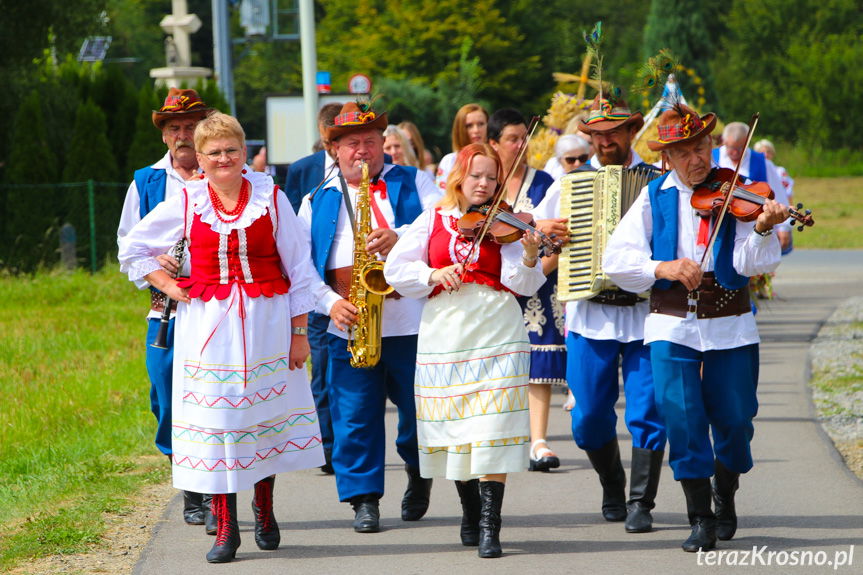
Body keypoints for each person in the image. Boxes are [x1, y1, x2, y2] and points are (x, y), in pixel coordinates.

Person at [119, 112, 324, 563]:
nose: (224, 158)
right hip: (208, 325)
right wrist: (169, 286)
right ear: (201, 157)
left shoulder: (270, 196)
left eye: (232, 149)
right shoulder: (189, 200)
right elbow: (132, 245)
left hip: (267, 320)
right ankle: (226, 526)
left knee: (264, 419)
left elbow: (299, 266)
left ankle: (265, 510)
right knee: (220, 427)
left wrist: (299, 333)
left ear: (244, 151)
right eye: (214, 152)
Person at [603, 103, 788, 552]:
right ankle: (701, 516)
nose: (696, 159)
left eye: (701, 147)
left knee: (737, 422)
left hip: (731, 324)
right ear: (666, 158)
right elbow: (615, 260)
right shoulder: (654, 196)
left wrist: (762, 231)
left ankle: (726, 489)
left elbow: (748, 265)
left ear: (712, 145)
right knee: (682, 418)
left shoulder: (739, 191)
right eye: (683, 152)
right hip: (671, 324)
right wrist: (662, 267)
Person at [384, 142, 546, 558]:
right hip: (446, 334)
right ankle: (470, 511)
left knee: (491, 430)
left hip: (497, 330)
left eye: (492, 177)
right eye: (476, 175)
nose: (484, 184)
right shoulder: (434, 218)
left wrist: (530, 257)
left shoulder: (505, 223)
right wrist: (433, 272)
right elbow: (396, 269)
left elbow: (522, 285)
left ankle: (491, 526)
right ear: (459, 176)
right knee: (456, 430)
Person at [298, 101, 440, 533]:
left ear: (384, 145)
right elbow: (301, 270)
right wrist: (329, 304)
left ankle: (419, 474)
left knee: (419, 414)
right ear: (334, 149)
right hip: (350, 322)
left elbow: (441, 226)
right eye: (352, 143)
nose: (363, 151)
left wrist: (401, 236)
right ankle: (364, 500)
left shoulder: (418, 181)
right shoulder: (314, 199)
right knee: (354, 417)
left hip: (412, 322)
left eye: (371, 142)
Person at [534, 93, 667, 532]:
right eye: (597, 134)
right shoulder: (568, 182)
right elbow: (533, 237)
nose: (605, 141)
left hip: (648, 312)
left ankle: (640, 503)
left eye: (614, 132)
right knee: (588, 417)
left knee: (648, 410)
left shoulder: (658, 181)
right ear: (588, 137)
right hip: (590, 315)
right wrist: (545, 232)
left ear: (632, 132)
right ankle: (612, 482)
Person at [117, 87, 214, 529]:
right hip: (166, 311)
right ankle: (187, 477)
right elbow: (127, 243)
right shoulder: (147, 181)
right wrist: (156, 262)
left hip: (215, 307)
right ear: (164, 136)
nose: (183, 135)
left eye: (191, 126)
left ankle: (206, 493)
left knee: (212, 400)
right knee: (166, 400)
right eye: (174, 128)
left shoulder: (227, 172)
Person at [487, 107, 568, 473]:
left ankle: (538, 440)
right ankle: (500, 435)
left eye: (525, 138)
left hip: (538, 282)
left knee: (538, 361)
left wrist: (533, 273)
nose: (521, 145)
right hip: (493, 285)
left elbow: (558, 241)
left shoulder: (545, 182)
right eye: (512, 139)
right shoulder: (485, 182)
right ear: (493, 143)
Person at [283, 101, 342, 475]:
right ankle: (328, 445)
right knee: (321, 371)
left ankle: (345, 443)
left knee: (344, 375)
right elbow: (290, 226)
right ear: (324, 137)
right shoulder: (303, 170)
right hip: (314, 290)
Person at [714, 123, 792, 253]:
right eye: (731, 148)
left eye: (740, 148)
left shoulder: (762, 162)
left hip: (753, 229)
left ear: (747, 142)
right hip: (719, 230)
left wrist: (783, 227)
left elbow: (779, 195)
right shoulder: (713, 158)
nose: (735, 152)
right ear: (724, 141)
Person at [753, 138, 795, 255]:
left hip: (777, 209)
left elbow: (787, 194)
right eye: (762, 152)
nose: (765, 154)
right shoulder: (754, 170)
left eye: (768, 151)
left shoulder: (779, 171)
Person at [435, 103, 489, 192]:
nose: (476, 130)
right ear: (460, 129)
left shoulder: (495, 158)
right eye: (469, 126)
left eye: (481, 124)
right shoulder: (449, 161)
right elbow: (441, 197)